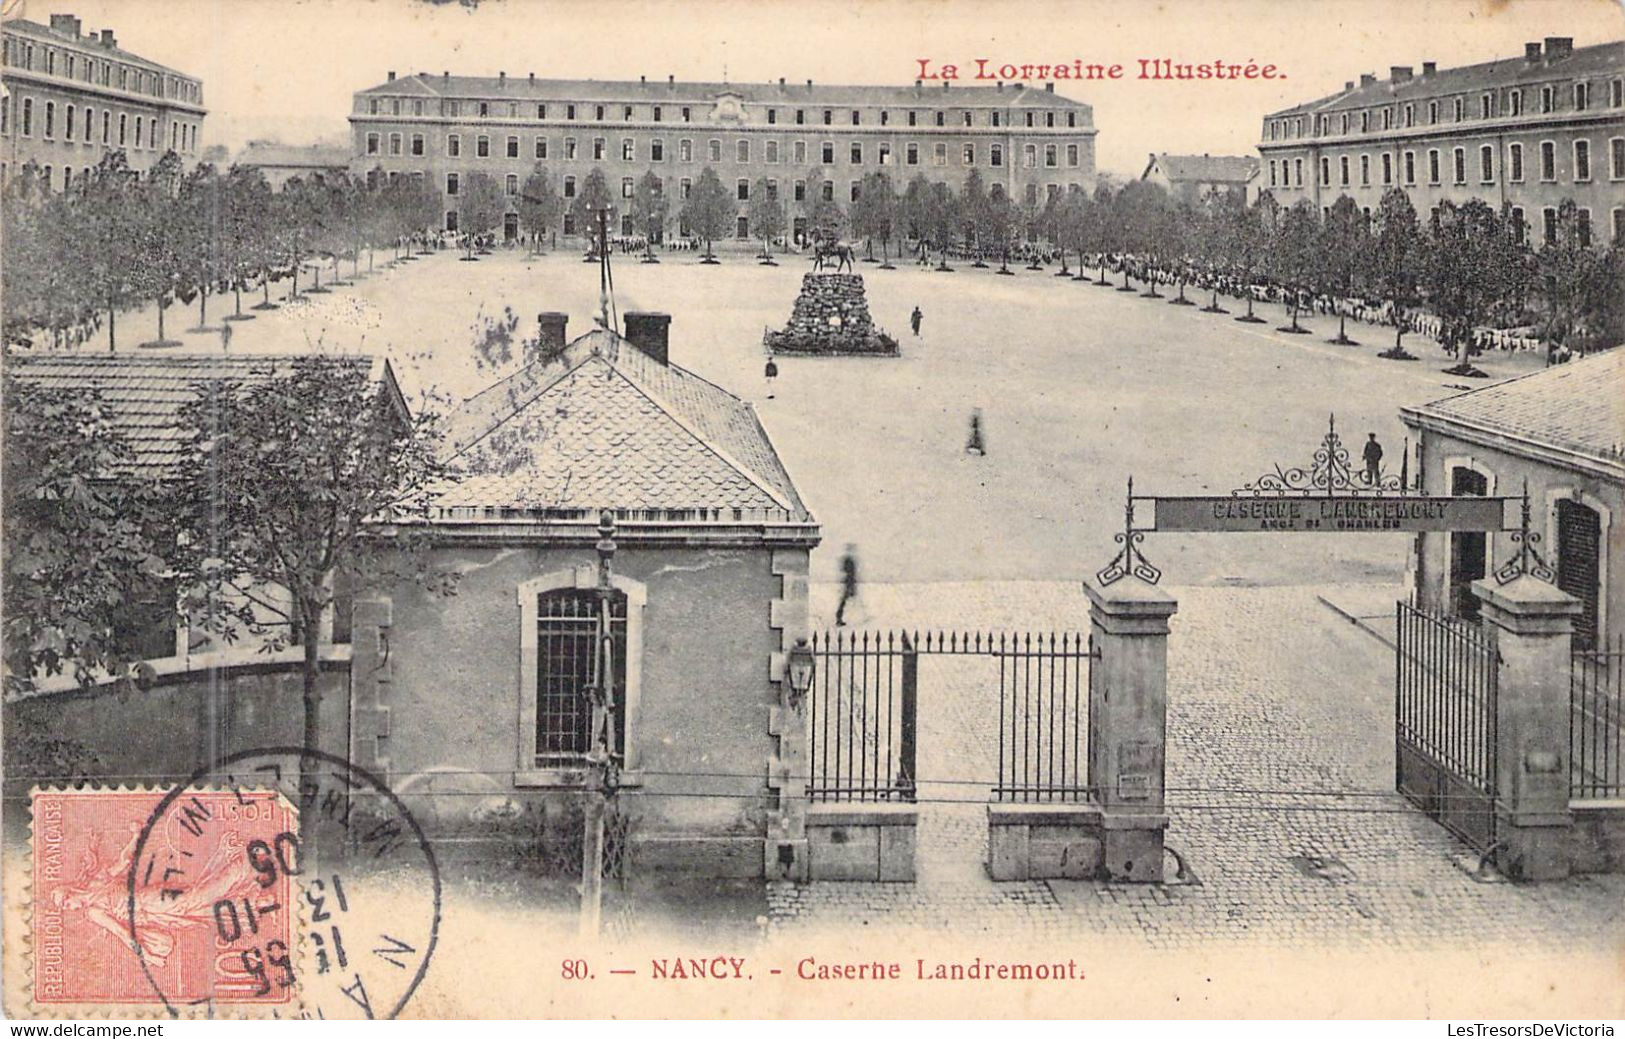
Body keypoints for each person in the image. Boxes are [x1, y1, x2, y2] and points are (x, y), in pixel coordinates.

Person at [835, 545, 859, 627]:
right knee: (844, 600)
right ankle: (838, 618)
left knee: (845, 600)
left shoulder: (848, 560)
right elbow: (847, 571)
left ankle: (839, 617)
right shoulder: (848, 560)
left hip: (849, 582)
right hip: (848, 582)